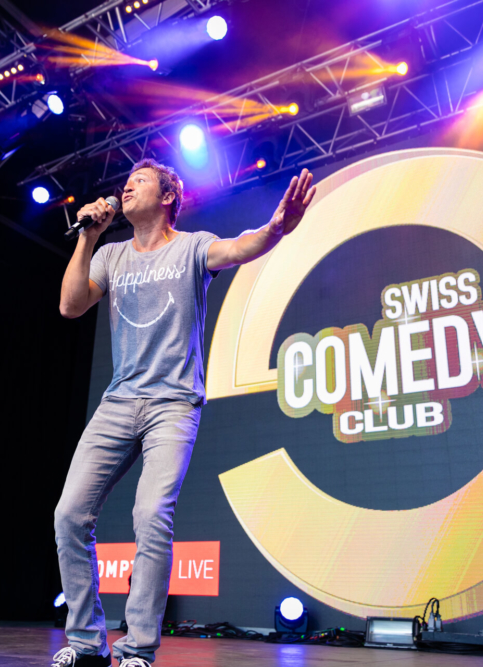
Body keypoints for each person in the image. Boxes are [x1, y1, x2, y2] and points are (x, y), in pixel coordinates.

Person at [53, 159, 316, 667]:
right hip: (119, 401)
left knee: (151, 515)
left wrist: (276, 228)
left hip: (173, 404)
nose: (126, 186)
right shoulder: (110, 254)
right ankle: (87, 643)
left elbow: (242, 247)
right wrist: (86, 238)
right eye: (125, 182)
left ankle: (137, 649)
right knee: (68, 515)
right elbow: (70, 306)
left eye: (141, 180)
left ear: (169, 196)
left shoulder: (193, 246)